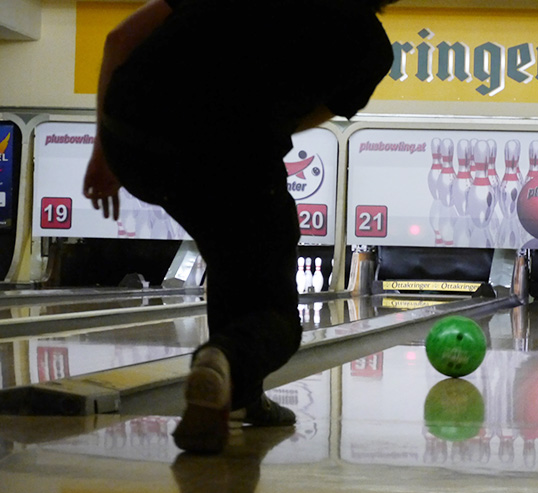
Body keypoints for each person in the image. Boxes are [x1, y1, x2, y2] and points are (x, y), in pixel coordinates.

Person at [83, 0, 397, 453]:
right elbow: (293, 122)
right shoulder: (370, 49)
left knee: (230, 252)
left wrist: (104, 151)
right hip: (228, 155)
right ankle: (225, 361)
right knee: (274, 317)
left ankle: (241, 398)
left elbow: (118, 40)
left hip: (130, 138)